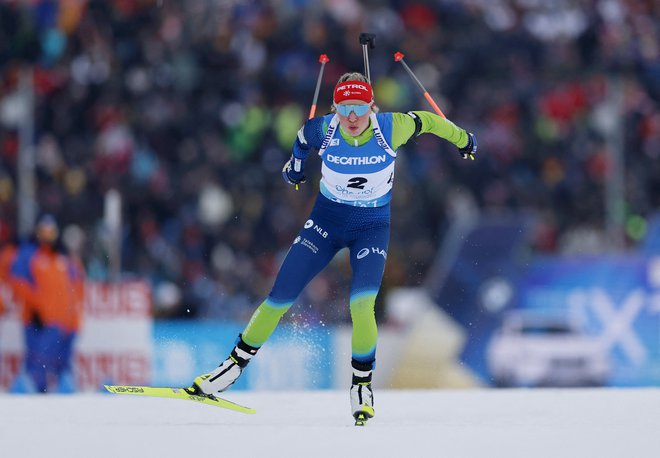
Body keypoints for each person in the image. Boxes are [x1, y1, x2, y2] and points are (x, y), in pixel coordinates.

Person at [190, 72, 477, 424]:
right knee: (278, 297)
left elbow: (432, 122)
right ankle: (231, 369)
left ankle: (361, 386)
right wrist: (294, 169)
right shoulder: (322, 129)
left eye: (359, 108)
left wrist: (464, 140)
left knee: (362, 304)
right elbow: (299, 139)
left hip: (371, 227)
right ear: (334, 109)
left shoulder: (392, 127)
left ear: (372, 106)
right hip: (326, 223)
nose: (352, 118)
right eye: (344, 109)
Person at [10, 215, 85, 393]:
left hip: (61, 321)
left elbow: (75, 288)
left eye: (50, 231)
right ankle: (31, 386)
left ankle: (52, 387)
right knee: (38, 360)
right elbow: (19, 285)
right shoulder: (29, 255)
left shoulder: (63, 257)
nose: (47, 235)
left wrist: (72, 318)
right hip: (37, 320)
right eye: (44, 231)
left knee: (58, 362)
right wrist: (36, 307)